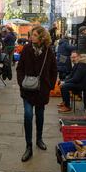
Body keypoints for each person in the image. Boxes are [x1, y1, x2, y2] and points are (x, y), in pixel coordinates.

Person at [17, 26, 57, 162]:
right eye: (31, 35)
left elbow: (53, 70)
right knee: (28, 115)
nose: (31, 37)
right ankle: (28, 146)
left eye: (34, 35)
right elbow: (19, 68)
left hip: (42, 90)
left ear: (41, 37)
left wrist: (50, 86)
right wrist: (21, 82)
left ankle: (39, 139)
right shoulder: (27, 49)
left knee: (40, 114)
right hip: (27, 89)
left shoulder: (48, 51)